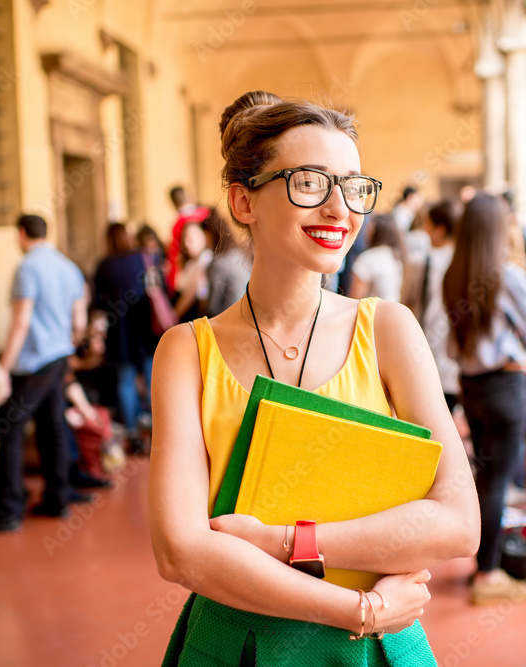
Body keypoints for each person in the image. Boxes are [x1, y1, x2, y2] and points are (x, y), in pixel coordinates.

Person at [150, 91, 480, 665]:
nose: (339, 209)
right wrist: (359, 610)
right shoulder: (186, 351)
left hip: (374, 651)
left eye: (353, 186)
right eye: (310, 182)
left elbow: (457, 523)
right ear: (243, 201)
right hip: (246, 642)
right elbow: (181, 551)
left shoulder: (387, 331)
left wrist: (285, 541)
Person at [443, 193, 526, 604]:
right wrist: (517, 352)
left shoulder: (453, 274)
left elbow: (452, 344)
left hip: (473, 388)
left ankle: (484, 567)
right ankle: (487, 575)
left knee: (486, 479)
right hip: (505, 387)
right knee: (497, 483)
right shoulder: (508, 276)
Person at [0, 214, 87, 533]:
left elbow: (21, 322)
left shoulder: (27, 268)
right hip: (59, 356)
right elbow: (79, 321)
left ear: (21, 234)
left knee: (10, 427)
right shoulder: (67, 266)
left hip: (35, 363)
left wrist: (2, 368)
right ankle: (57, 498)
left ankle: (8, 509)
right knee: (52, 426)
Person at [93, 222, 154, 446]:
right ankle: (159, 431)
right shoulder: (142, 258)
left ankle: (132, 433)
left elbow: (97, 302)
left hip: (120, 335)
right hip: (146, 330)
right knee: (151, 380)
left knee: (125, 382)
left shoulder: (104, 266)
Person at [418, 201, 460, 411]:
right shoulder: (463, 258)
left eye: (428, 225)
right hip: (456, 351)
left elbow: (432, 307)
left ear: (440, 229)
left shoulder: (434, 260)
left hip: (437, 344)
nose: (425, 230)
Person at [200, 207, 251, 317]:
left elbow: (213, 305)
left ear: (210, 234)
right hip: (247, 313)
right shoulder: (239, 253)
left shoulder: (218, 263)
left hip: (228, 317)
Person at [348, 213, 405, 302]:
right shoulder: (396, 258)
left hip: (371, 314)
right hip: (391, 312)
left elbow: (355, 299)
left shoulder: (367, 258)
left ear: (375, 230)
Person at [166, 187, 211, 295]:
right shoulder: (205, 212)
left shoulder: (177, 224)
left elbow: (175, 253)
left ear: (173, 203)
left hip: (191, 270)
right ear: (188, 196)